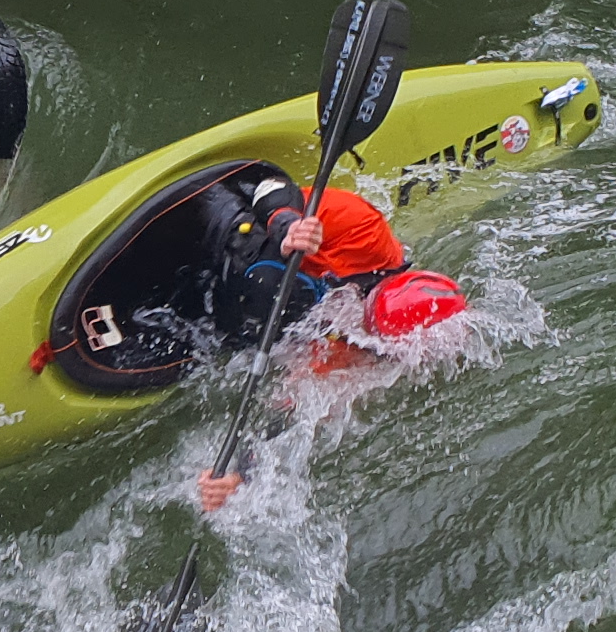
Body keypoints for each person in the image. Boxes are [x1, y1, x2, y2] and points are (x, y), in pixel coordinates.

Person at [191, 176, 469, 511]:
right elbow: (269, 188)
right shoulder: (363, 230)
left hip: (227, 306)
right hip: (231, 217)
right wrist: (288, 227)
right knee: (275, 286)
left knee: (286, 325)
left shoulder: (355, 348)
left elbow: (286, 410)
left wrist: (239, 475)